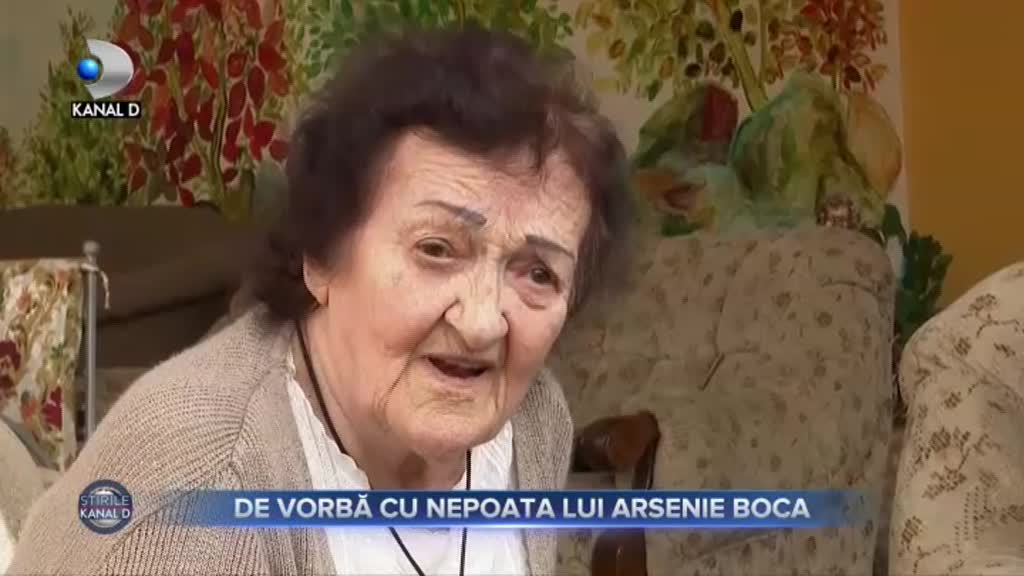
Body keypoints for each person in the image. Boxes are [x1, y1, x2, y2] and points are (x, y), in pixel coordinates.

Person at [10, 25, 629, 576]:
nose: (482, 322)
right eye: (437, 249)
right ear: (323, 255)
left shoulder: (532, 419)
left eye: (539, 273)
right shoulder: (197, 492)